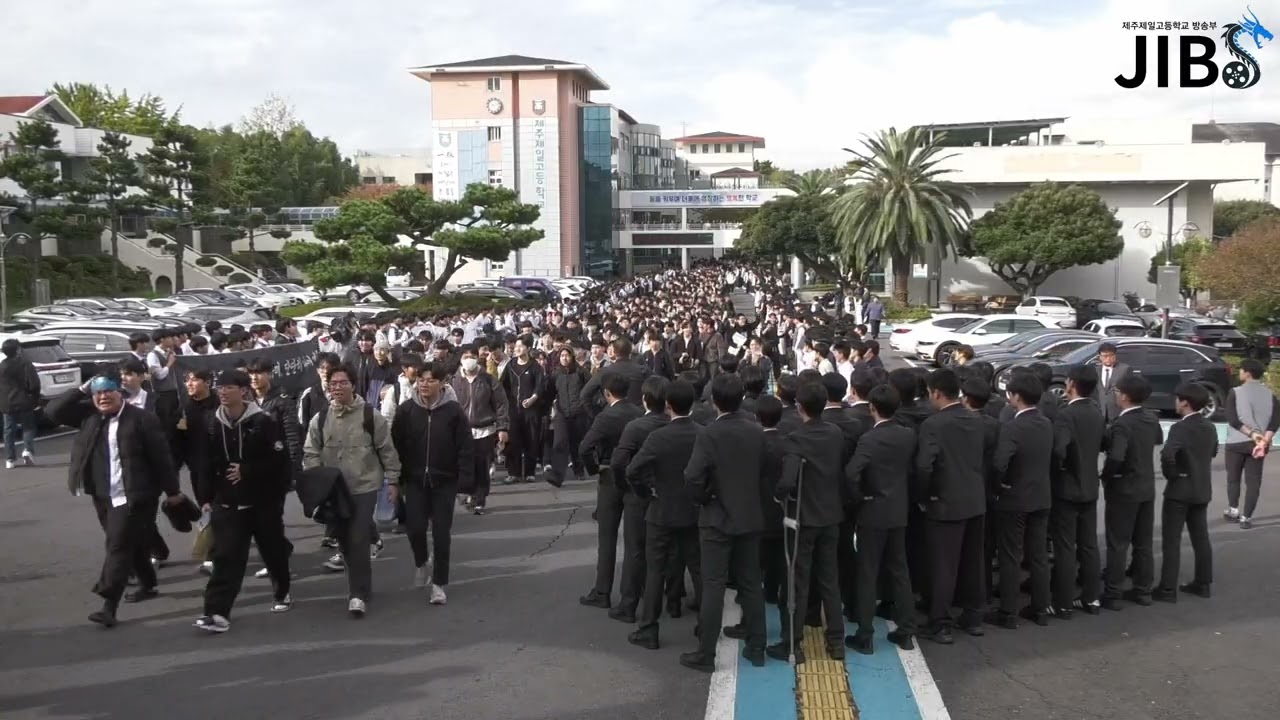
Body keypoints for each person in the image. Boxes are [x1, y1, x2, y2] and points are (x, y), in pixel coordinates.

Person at [46, 370, 187, 628]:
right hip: (102, 494)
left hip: (137, 495)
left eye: (107, 391)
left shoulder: (142, 419)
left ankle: (108, 605)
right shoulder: (89, 416)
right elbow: (53, 412)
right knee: (128, 544)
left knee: (117, 546)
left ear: (120, 392)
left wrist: (173, 491)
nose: (102, 397)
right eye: (97, 392)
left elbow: (162, 458)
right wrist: (80, 389)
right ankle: (149, 583)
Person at [195, 370, 294, 633]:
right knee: (226, 558)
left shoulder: (263, 422)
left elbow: (279, 461)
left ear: (243, 391)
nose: (223, 392)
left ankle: (281, 591)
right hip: (226, 503)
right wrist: (204, 498)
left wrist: (247, 470)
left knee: (272, 551)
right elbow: (203, 463)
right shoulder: (211, 423)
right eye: (220, 388)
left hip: (263, 502)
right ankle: (216, 612)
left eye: (229, 387)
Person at [682, 372, 768, 672]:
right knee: (751, 584)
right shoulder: (756, 430)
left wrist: (703, 498)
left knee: (714, 584)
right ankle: (757, 646)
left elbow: (693, 477)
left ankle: (706, 653)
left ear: (714, 400)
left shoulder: (708, 434)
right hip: (750, 515)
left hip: (716, 517)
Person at [304, 363, 402, 616]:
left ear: (353, 385)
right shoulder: (321, 418)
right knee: (345, 540)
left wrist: (393, 481)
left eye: (342, 382)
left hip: (365, 486)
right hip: (335, 491)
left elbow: (387, 450)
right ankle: (362, 586)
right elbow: (311, 451)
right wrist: (319, 478)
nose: (337, 387)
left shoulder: (371, 415)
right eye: (333, 383)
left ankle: (357, 595)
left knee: (358, 537)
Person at [770, 380, 847, 664]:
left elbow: (788, 481)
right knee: (829, 578)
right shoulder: (836, 433)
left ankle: (793, 643)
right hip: (831, 515)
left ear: (799, 407)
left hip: (804, 517)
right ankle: (836, 641)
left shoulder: (796, 438)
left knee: (799, 581)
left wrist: (779, 496)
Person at [625, 379, 703, 650]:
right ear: (692, 404)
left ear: (668, 406)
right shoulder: (703, 433)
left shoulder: (658, 437)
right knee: (698, 568)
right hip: (694, 511)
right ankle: (706, 625)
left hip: (661, 511)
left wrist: (647, 492)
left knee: (656, 570)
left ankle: (649, 628)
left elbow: (632, 470)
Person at [914, 368, 988, 644]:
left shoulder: (934, 425)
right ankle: (973, 616)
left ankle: (940, 623)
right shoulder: (975, 420)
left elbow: (925, 466)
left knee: (944, 565)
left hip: (945, 502)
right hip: (974, 499)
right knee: (972, 562)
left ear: (936, 393)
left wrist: (924, 496)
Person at [391, 361, 472, 607]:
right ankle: (421, 561)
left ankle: (438, 584)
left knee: (441, 533)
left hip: (444, 480)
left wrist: (464, 481)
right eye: (421, 380)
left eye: (431, 380)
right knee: (415, 528)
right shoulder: (406, 410)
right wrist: (394, 480)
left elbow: (465, 447)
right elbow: (394, 447)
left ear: (442, 383)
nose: (425, 384)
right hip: (414, 480)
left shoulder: (453, 411)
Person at [844, 384, 916, 654]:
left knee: (867, 572)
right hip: (898, 510)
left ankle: (865, 633)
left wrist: (860, 496)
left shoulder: (869, 440)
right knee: (900, 570)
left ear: (872, 407)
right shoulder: (908, 435)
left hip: (873, 512)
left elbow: (852, 473)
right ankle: (906, 630)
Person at [988, 373, 1054, 629]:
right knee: (1038, 555)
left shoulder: (1013, 427)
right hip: (1041, 496)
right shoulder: (1046, 423)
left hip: (1015, 498)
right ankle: (1040, 608)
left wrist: (998, 484)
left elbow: (999, 462)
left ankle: (1008, 611)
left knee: (1010, 555)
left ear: (1016, 396)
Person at [578, 374, 644, 610]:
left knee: (607, 538)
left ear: (607, 393)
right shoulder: (638, 414)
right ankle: (633, 594)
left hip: (609, 476)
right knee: (635, 542)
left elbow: (585, 447)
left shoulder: (605, 417)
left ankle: (602, 591)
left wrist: (594, 468)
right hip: (635, 477)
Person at [1100, 374, 1163, 610]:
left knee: (1118, 542)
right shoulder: (1150, 418)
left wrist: (1107, 475)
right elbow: (1158, 439)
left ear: (1124, 396)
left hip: (1124, 487)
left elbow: (1117, 455)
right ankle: (1142, 590)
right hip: (1146, 486)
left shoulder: (1121, 424)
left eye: (1117, 392)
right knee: (1143, 542)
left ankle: (1113, 592)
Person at [1049, 365, 1105, 617]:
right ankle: (1091, 598)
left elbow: (1059, 449)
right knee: (1089, 545)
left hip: (1067, 488)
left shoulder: (1065, 415)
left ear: (1071, 384)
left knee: (1064, 547)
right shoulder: (1096, 412)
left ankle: (1063, 602)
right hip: (1090, 485)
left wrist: (1058, 469)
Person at [1155, 383, 1218, 602]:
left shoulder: (1180, 428)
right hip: (1202, 488)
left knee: (1171, 540)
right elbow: (1213, 451)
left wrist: (1173, 475)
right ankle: (1203, 582)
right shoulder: (1209, 426)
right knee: (1201, 538)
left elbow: (1167, 455)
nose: (1175, 402)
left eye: (1178, 399)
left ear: (1185, 402)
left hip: (1180, 491)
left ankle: (1167, 588)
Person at [450, 345, 509, 514]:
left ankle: (479, 499)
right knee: (464, 465)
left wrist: (502, 427)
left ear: (477, 358)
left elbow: (501, 404)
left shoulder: (489, 380)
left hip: (485, 430)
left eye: (472, 356)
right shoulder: (453, 381)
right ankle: (468, 492)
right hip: (461, 431)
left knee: (482, 466)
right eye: (465, 357)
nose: (468, 360)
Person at [1223, 358, 1280, 529]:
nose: (1239, 372)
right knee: (1253, 482)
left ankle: (1233, 510)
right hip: (1259, 446)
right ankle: (1246, 518)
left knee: (1233, 479)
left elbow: (1233, 420)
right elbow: (1275, 422)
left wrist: (1252, 434)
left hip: (1236, 442)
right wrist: (1263, 440)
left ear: (1247, 373)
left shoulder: (1235, 392)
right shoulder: (1271, 396)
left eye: (1241, 370)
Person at [549, 346, 591, 488]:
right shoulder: (555, 374)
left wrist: (586, 406)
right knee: (559, 442)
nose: (564, 358)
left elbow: (590, 389)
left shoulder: (580, 372)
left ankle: (579, 470)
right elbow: (549, 393)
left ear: (572, 357)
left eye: (567, 355)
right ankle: (557, 475)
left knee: (577, 443)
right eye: (562, 356)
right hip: (561, 413)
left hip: (579, 413)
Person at [0, 338, 41, 469]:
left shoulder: (2, 366)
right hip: (24, 400)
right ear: (17, 350)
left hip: (6, 402)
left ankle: (10, 459)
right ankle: (28, 450)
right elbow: (34, 384)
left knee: (8, 431)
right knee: (28, 427)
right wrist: (34, 397)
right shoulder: (26, 364)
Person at [1094, 342, 1130, 424]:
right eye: (1105, 356)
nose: (1108, 359)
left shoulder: (1124, 369)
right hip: (1100, 412)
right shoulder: (1096, 370)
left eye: (1111, 355)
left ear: (1115, 355)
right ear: (1100, 357)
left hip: (1117, 412)